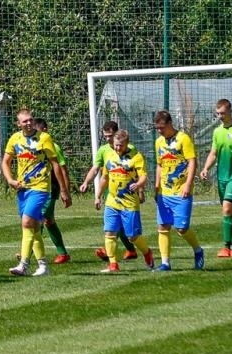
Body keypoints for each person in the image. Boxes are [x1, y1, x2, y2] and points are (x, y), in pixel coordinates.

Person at [1, 108, 67, 277]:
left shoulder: (44, 138)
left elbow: (56, 164)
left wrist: (64, 189)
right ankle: (43, 265)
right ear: (19, 124)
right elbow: (5, 162)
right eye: (25, 121)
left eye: (30, 120)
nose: (29, 123)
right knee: (35, 228)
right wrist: (10, 180)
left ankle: (23, 264)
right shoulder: (15, 139)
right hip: (23, 189)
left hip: (40, 188)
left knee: (26, 222)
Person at [152, 110, 205, 271]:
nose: (159, 131)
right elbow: (159, 165)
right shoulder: (159, 142)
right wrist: (156, 186)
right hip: (164, 192)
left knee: (181, 228)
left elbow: (192, 162)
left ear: (169, 124)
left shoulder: (183, 139)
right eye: (157, 128)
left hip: (181, 191)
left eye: (161, 127)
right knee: (163, 226)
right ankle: (165, 263)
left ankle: (198, 250)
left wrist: (188, 184)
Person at [94, 129, 151, 274]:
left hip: (129, 203)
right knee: (109, 232)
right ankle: (113, 264)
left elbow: (144, 176)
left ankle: (147, 253)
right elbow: (104, 178)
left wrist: (138, 185)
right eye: (116, 145)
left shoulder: (136, 157)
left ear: (127, 143)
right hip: (112, 201)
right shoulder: (110, 157)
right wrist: (98, 196)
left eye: (121, 145)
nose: (118, 148)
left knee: (132, 236)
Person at [78, 119, 135, 262]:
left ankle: (131, 250)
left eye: (110, 135)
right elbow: (96, 168)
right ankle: (119, 251)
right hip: (112, 192)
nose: (108, 139)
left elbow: (138, 171)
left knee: (127, 229)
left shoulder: (130, 149)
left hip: (128, 193)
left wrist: (140, 191)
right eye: (106, 136)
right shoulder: (103, 150)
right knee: (113, 224)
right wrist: (86, 182)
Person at [199, 98, 232, 258]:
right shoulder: (217, 132)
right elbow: (214, 153)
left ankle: (226, 247)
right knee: (229, 212)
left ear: (230, 111)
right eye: (218, 113)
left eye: (222, 113)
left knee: (227, 208)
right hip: (222, 178)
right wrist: (206, 168)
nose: (220, 116)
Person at [31, 114, 71, 264]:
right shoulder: (35, 147)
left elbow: (62, 169)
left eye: (37, 131)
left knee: (38, 217)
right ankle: (63, 253)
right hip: (39, 187)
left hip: (51, 188)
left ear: (45, 130)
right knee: (48, 220)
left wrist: (64, 190)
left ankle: (27, 252)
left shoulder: (54, 147)